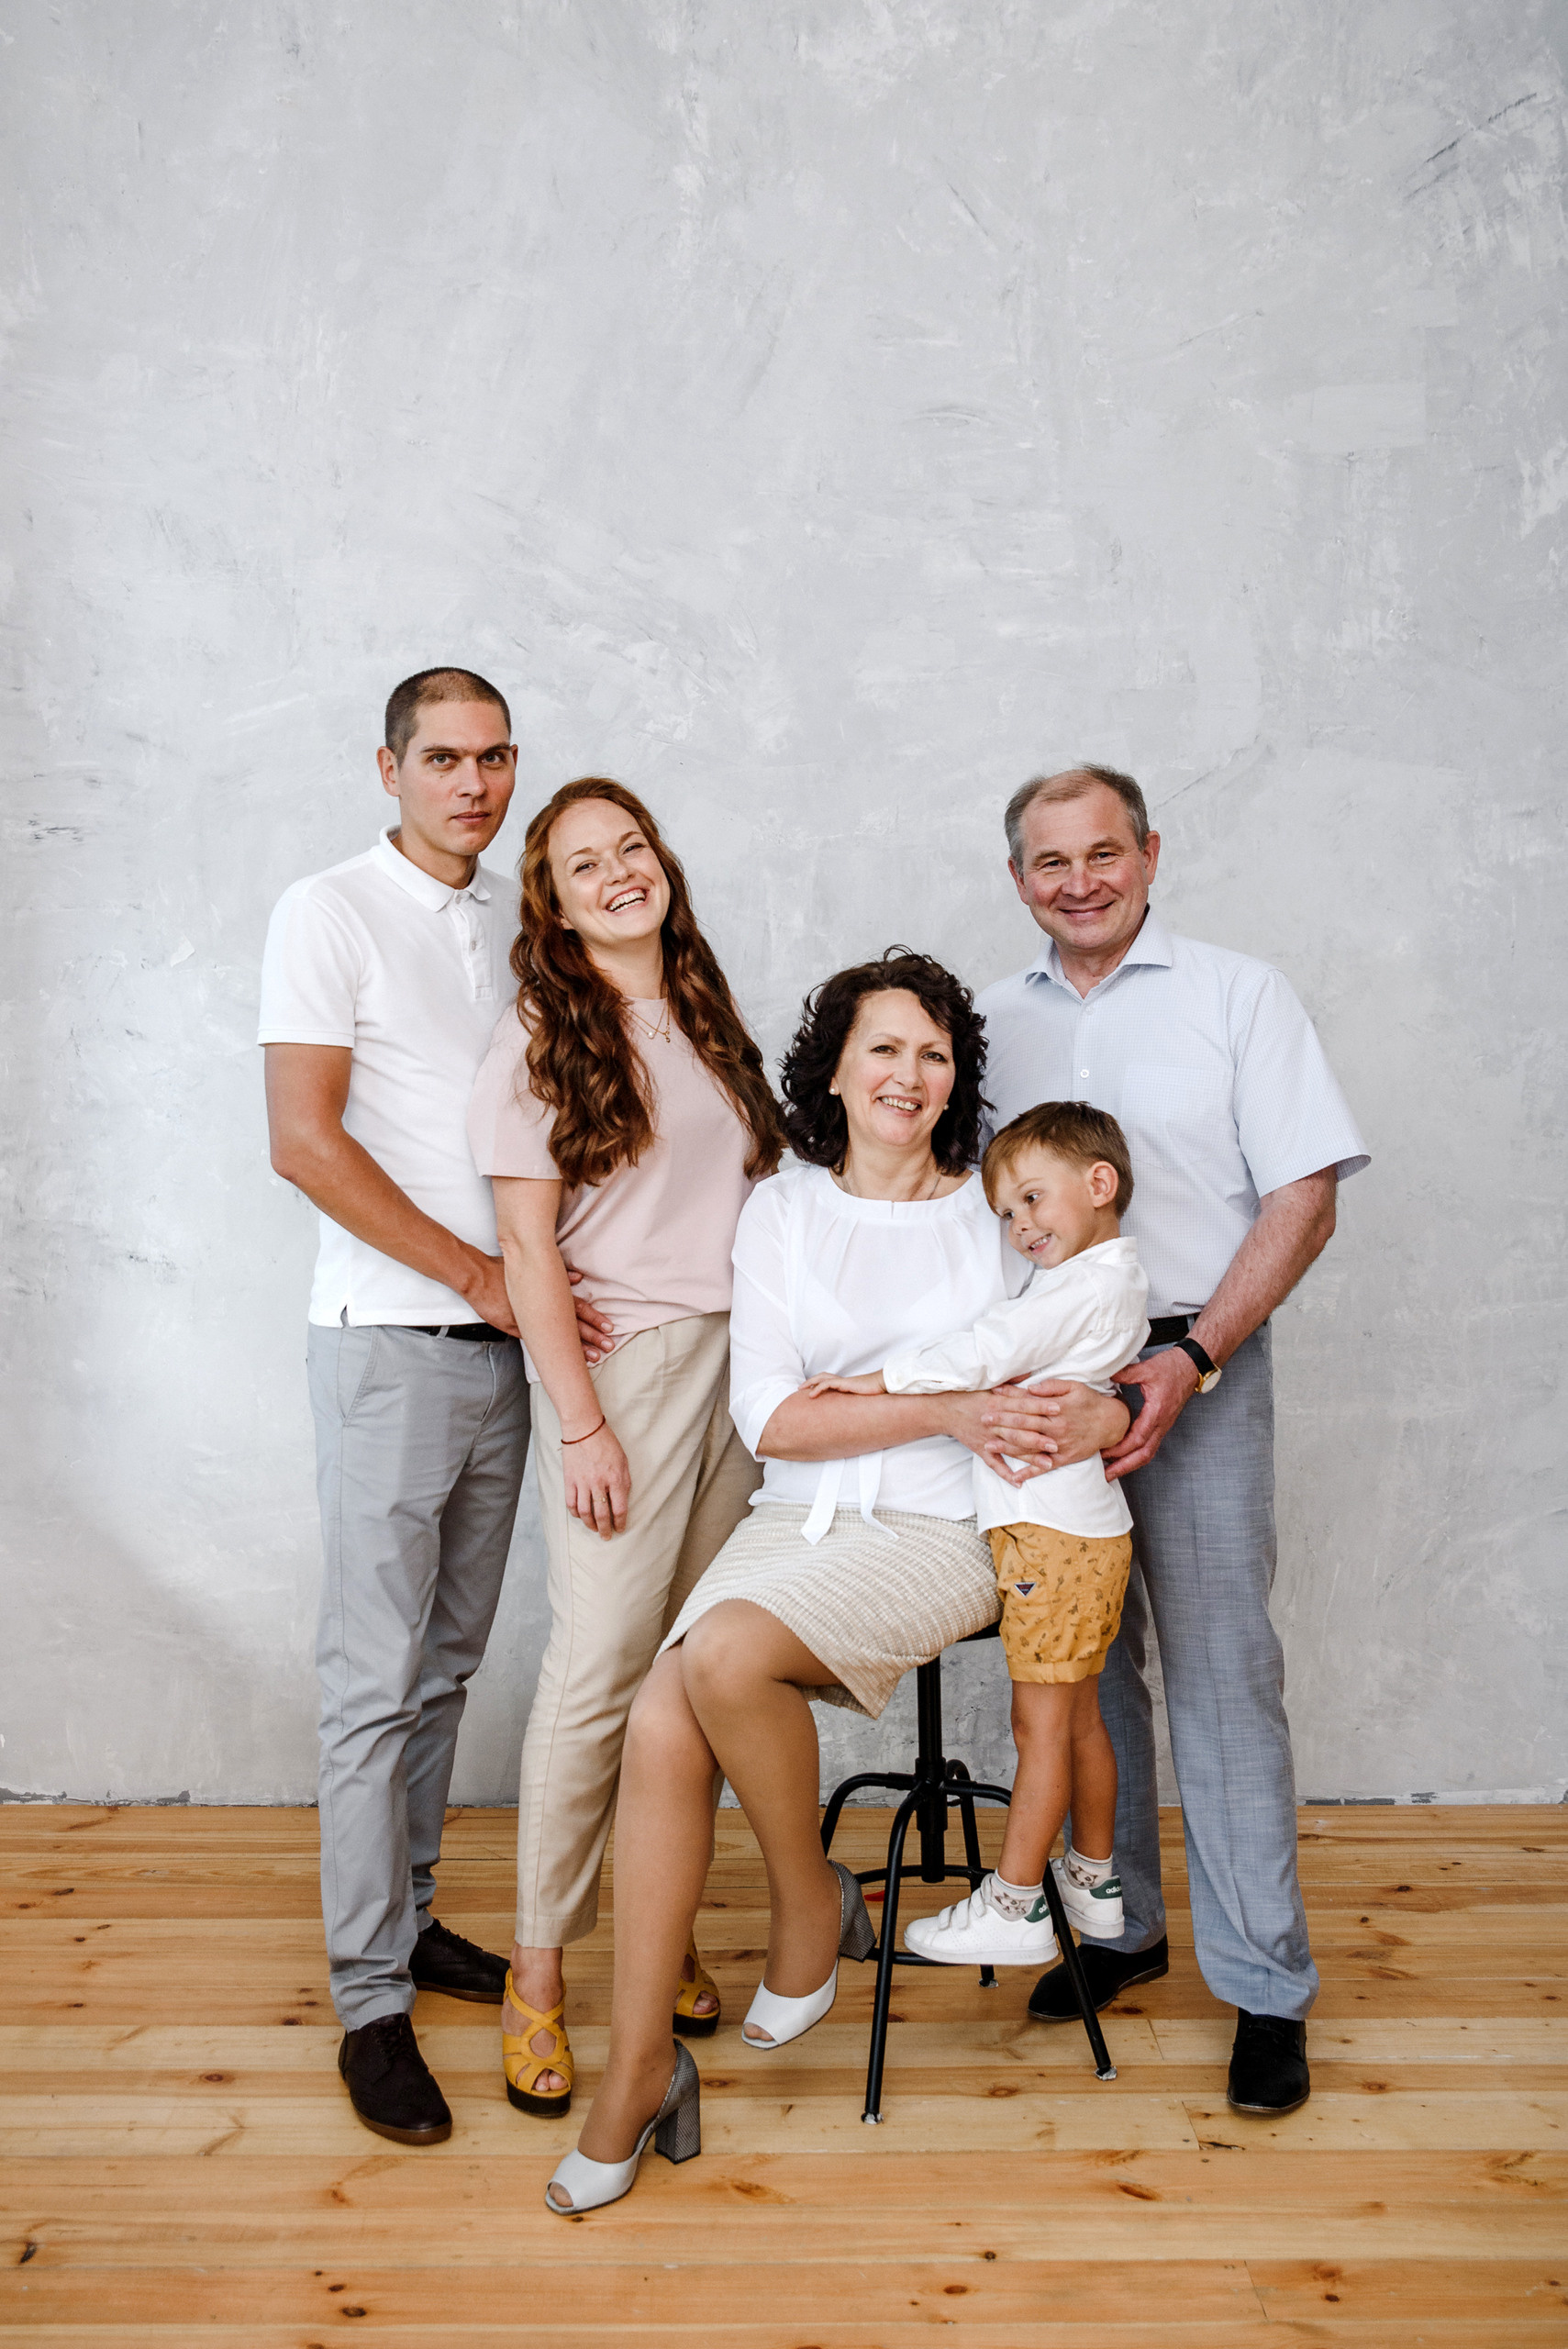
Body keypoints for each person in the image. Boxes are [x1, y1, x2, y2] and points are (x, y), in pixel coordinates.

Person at [542, 950, 1132, 2215]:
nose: (908, 1075)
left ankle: (807, 1906)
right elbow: (771, 1420)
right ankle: (639, 2070)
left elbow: (1081, 1338)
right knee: (660, 1717)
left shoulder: (999, 1212)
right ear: (834, 1069)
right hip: (792, 1520)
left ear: (955, 1076)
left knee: (716, 1657)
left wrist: (1064, 1411)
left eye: (933, 1053)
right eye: (883, 1048)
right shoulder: (781, 1208)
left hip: (946, 1529)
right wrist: (948, 1404)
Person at [979, 763, 1369, 2117]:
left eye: (1102, 852)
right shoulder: (987, 1023)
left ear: (1149, 853)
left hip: (1196, 1355)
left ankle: (1265, 1987)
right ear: (1016, 878)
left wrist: (1190, 1358)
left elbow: (1303, 1194)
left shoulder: (1238, 995)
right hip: (1047, 1382)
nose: (1078, 880)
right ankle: (1120, 1928)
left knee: (1220, 1670)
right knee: (1077, 1672)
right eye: (1049, 861)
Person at [260, 668, 603, 2148]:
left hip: (503, 1351)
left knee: (447, 1664)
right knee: (371, 1679)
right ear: (387, 767)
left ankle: (403, 1923)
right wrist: (476, 1275)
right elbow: (302, 1141)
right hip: (391, 1344)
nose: (473, 782)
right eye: (444, 757)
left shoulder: (518, 926)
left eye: (494, 756)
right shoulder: (327, 911)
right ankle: (367, 2004)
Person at [466, 778, 787, 2122]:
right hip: (628, 1380)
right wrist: (581, 1421)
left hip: (738, 1376)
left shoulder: (704, 1013)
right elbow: (526, 1246)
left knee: (689, 1681)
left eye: (631, 848)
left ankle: (665, 1935)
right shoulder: (541, 1034)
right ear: (551, 905)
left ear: (663, 863)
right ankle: (536, 1972)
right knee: (597, 1672)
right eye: (582, 865)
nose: (617, 875)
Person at [801, 1099, 1150, 1967]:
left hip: (1049, 1538)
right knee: (1076, 1722)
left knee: (1040, 1729)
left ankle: (1016, 1902)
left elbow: (989, 1345)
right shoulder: (1105, 1280)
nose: (1019, 1225)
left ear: (1098, 1184)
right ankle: (1093, 1882)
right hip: (1080, 1537)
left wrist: (879, 1383)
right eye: (1005, 1213)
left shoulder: (1082, 1286)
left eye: (1032, 1198)